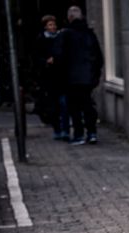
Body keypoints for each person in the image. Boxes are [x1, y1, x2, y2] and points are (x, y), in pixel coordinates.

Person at [55, 6, 103, 145]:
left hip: (71, 78)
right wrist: (95, 75)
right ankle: (92, 132)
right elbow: (98, 57)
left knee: (74, 107)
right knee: (88, 105)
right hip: (88, 77)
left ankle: (79, 135)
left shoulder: (65, 34)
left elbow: (58, 56)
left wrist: (61, 74)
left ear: (69, 18)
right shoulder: (89, 34)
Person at [33, 15, 67, 140]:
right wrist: (46, 61)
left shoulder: (61, 37)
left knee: (64, 103)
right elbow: (36, 57)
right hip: (48, 77)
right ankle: (57, 129)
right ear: (45, 27)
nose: (53, 27)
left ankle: (64, 129)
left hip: (61, 76)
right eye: (50, 25)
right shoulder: (40, 39)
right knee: (53, 105)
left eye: (54, 24)